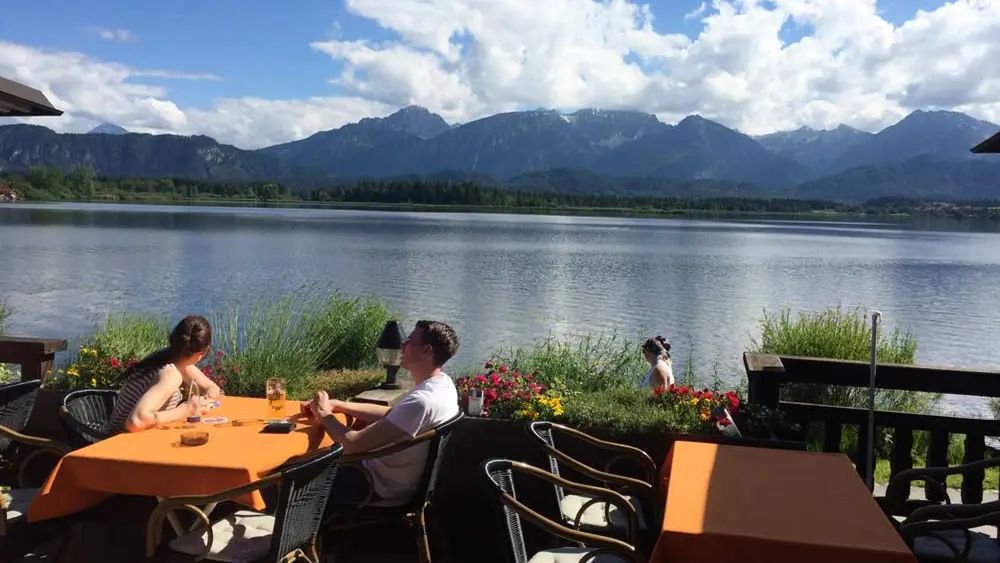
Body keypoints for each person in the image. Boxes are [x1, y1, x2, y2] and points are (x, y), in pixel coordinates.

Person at [304, 320, 460, 507]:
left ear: (426, 350)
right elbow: (392, 414)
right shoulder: (443, 385)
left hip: (375, 486)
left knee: (288, 480)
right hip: (398, 482)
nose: (403, 345)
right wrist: (339, 405)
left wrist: (323, 413)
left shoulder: (422, 402)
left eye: (410, 341)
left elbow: (351, 444)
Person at [106, 315, 222, 434]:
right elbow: (136, 421)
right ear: (203, 351)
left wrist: (206, 400)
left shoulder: (169, 358)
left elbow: (212, 388)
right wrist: (186, 410)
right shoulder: (170, 374)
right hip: (121, 440)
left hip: (121, 434)